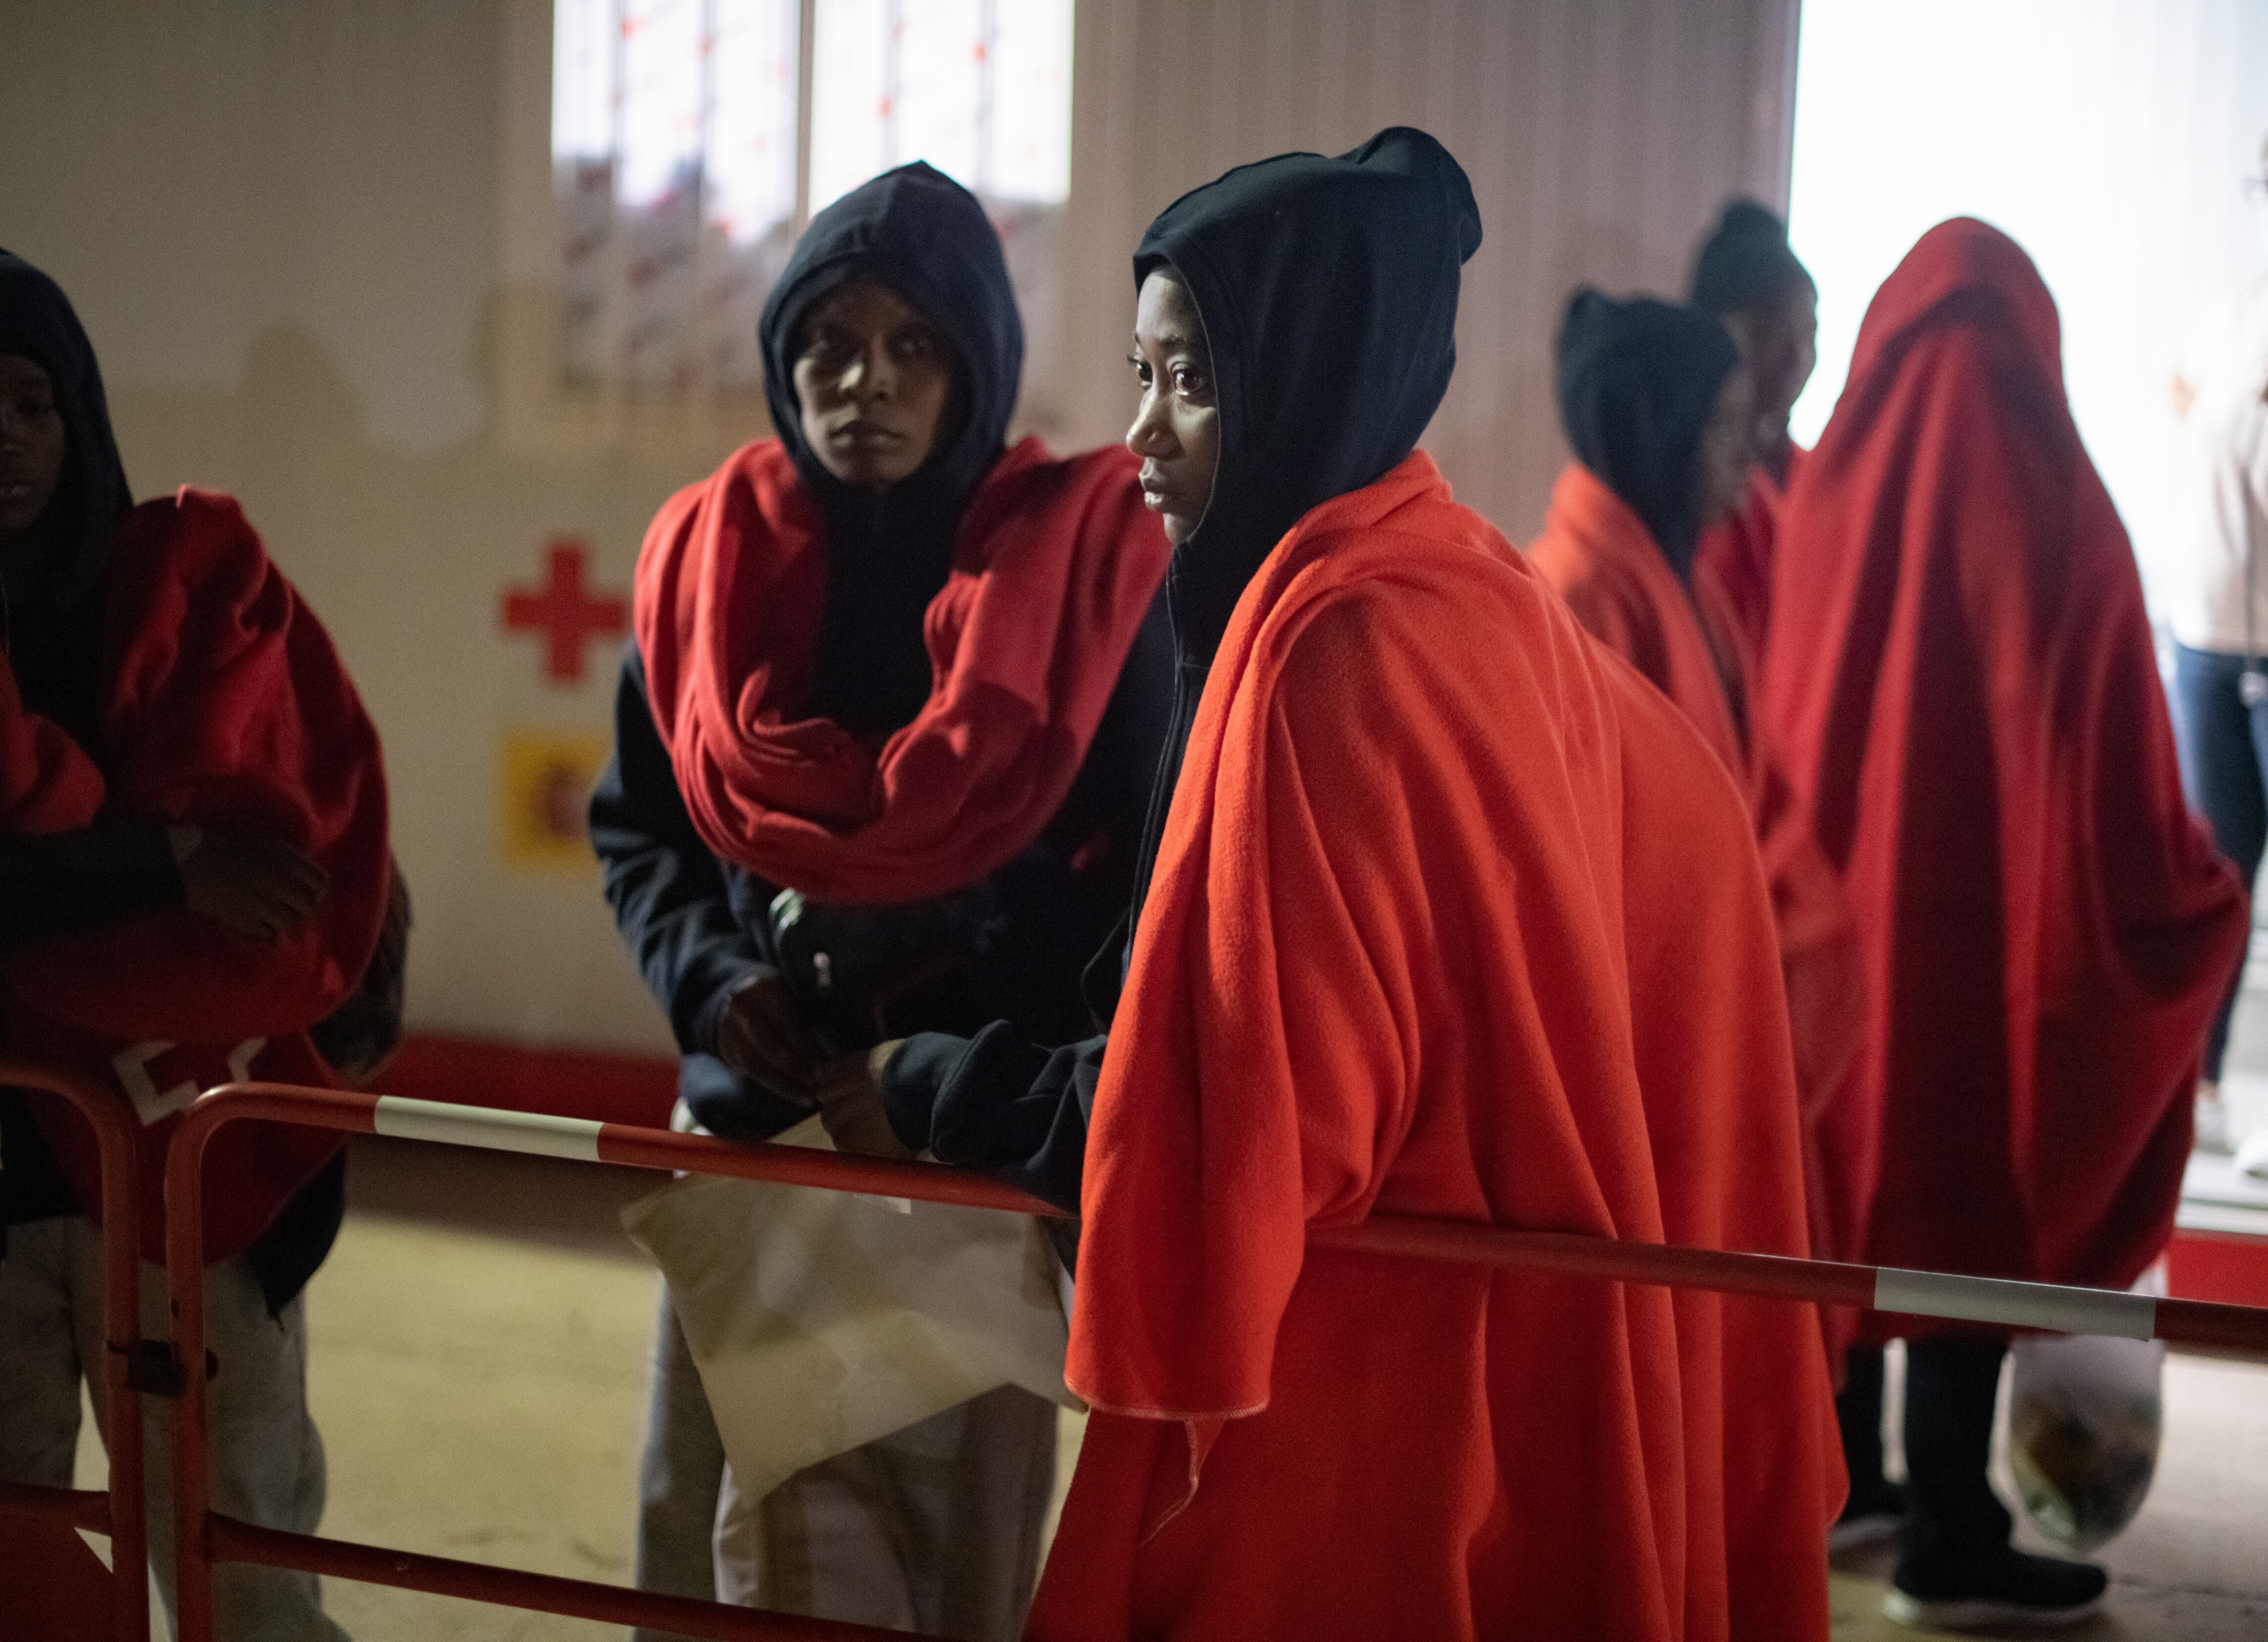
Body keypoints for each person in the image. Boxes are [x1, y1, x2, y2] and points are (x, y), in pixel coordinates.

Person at [825, 128, 1841, 1642]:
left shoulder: (1340, 651)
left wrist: (924, 1086)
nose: (1140, 434)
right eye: (1140, 372)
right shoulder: (1458, 587)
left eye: (1190, 380)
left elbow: (1257, 1120)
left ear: (1306, 372)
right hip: (1539, 1357)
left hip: (1373, 1399)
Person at [587, 162, 1169, 1639]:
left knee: (948, 1552)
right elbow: (642, 830)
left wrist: (948, 1031)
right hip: (754, 1120)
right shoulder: (701, 570)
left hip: (958, 1141)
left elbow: (1131, 875)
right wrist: (720, 985)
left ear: (976, 358)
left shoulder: (1080, 582)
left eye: (915, 345)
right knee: (708, 1527)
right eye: (827, 346)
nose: (866, 384)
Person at [0, 240, 402, 1641]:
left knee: (236, 1564)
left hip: (187, 1177)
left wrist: (11, 899)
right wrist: (162, 862)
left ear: (79, 409)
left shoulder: (204, 589)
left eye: (30, 402)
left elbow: (287, 873)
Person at [1762, 218, 2249, 1631]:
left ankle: (1847, 1480)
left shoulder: (1834, 485)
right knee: (1970, 1201)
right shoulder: (2060, 500)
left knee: (1846, 1195)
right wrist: (2193, 899)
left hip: (1837, 963)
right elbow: (2118, 774)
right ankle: (1956, 1523)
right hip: (1991, 970)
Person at [1525, 290, 1875, 1529]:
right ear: (1658, 434)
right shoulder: (1579, 592)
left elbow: (1748, 804)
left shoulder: (1675, 577)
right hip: (1648, 1044)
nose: (1745, 458)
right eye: (1724, 430)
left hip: (1711, 1007)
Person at [2164, 132, 2268, 1167]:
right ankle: (2199, 1080)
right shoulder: (2228, 316)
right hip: (2204, 638)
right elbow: (2186, 406)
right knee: (2218, 874)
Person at [1686, 199, 1819, 666]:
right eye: (1769, 330)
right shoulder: (1686, 481)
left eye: (1810, 333)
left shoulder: (1818, 476)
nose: (1797, 354)